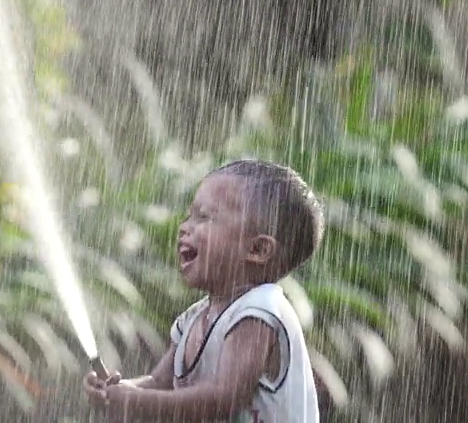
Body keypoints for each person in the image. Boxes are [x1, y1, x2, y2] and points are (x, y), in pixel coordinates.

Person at [84, 159, 325, 422]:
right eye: (189, 216)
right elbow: (159, 382)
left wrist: (137, 402)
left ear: (257, 250)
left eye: (204, 217)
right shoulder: (195, 318)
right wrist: (118, 390)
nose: (185, 227)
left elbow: (222, 399)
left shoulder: (260, 311)